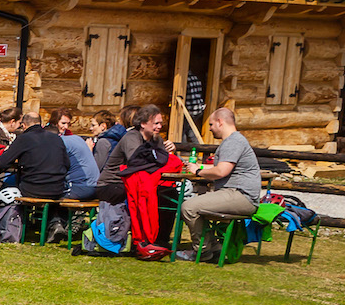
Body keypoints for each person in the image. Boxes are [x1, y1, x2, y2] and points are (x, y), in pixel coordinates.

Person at [175, 107, 263, 260]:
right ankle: (214, 247)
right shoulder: (234, 140)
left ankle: (202, 251)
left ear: (220, 122)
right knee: (195, 206)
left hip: (241, 196)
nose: (209, 129)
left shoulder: (233, 142)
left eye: (211, 124)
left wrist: (198, 171)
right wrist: (199, 166)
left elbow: (221, 171)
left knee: (189, 207)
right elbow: (222, 166)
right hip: (237, 194)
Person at [104, 105, 180, 256]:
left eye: (160, 123)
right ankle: (141, 240)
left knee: (170, 194)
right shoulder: (132, 137)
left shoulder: (156, 138)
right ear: (143, 124)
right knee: (144, 195)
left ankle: (160, 240)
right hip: (113, 182)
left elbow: (160, 160)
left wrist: (171, 151)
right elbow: (137, 162)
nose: (160, 127)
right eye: (156, 123)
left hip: (136, 180)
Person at [0, 112, 69, 199]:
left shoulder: (23, 138)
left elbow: (3, 163)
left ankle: (10, 208)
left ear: (23, 125)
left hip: (33, 188)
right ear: (41, 124)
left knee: (8, 183)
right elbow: (67, 164)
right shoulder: (56, 138)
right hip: (57, 189)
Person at [60, 112, 102, 201]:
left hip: (83, 187)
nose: (66, 127)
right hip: (93, 186)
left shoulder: (65, 140)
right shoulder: (77, 138)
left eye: (68, 124)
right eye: (63, 123)